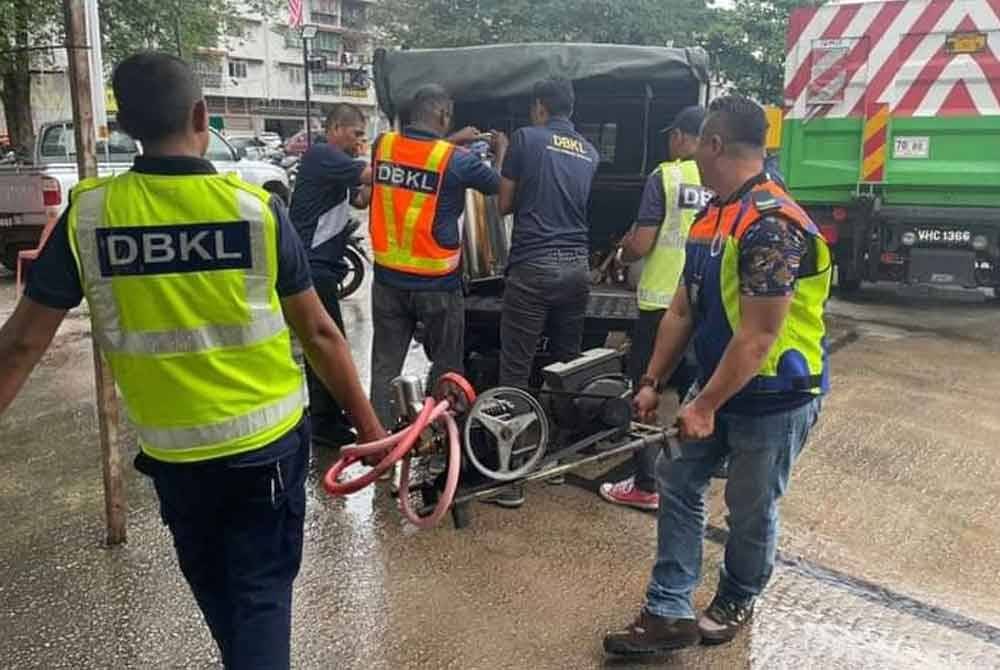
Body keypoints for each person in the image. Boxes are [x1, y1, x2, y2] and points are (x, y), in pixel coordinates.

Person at [0, 52, 386, 670]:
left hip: (178, 457)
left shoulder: (91, 217)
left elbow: (21, 342)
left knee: (216, 590)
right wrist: (371, 433)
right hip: (266, 446)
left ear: (124, 125)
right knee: (260, 597)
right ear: (202, 115)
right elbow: (318, 330)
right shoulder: (254, 210)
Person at [604, 95, 830, 655]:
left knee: (752, 507)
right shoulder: (712, 216)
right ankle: (669, 609)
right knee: (679, 483)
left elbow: (758, 336)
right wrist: (653, 379)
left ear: (714, 144)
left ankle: (736, 594)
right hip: (718, 388)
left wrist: (703, 406)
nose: (693, 155)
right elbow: (683, 307)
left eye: (698, 144)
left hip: (775, 396)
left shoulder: (772, 225)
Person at [368, 84, 507, 426]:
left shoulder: (381, 146)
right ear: (444, 115)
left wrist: (453, 140)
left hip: (387, 279)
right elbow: (498, 187)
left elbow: (418, 157)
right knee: (447, 366)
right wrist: (501, 150)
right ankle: (442, 436)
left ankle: (377, 441)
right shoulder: (458, 161)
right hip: (437, 284)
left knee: (385, 366)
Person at [491, 77, 599, 508]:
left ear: (539, 107)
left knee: (515, 369)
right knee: (565, 367)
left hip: (533, 265)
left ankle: (512, 477)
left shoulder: (525, 138)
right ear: (568, 110)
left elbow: (502, 204)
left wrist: (501, 155)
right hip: (577, 267)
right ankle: (558, 463)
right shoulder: (589, 152)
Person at [599, 106, 710, 512]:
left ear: (683, 137)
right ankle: (689, 481)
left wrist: (621, 253)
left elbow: (642, 243)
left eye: (672, 136)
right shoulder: (723, 181)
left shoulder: (667, 175)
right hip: (706, 305)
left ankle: (646, 483)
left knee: (647, 393)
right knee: (695, 393)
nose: (670, 143)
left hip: (662, 305)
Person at [289, 103, 372, 449]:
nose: (358, 143)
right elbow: (369, 175)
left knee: (323, 344)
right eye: (356, 135)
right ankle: (325, 422)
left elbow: (362, 199)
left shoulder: (336, 166)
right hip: (313, 266)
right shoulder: (321, 154)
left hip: (323, 268)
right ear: (336, 127)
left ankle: (327, 415)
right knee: (327, 344)